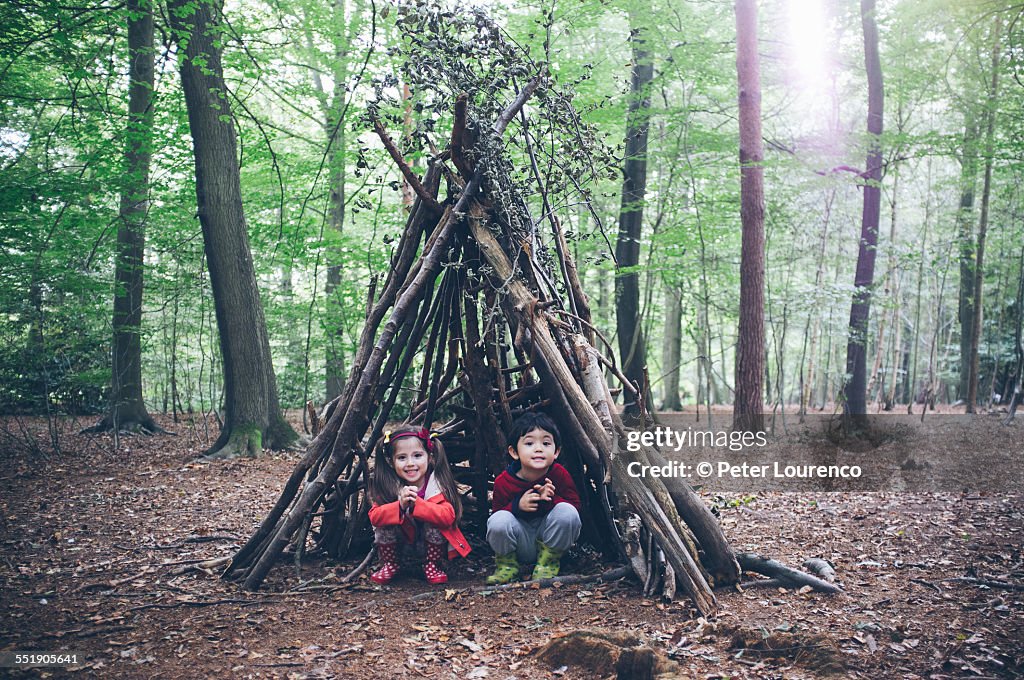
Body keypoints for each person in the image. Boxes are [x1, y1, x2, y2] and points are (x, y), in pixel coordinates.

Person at [486, 412, 581, 584]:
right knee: (498, 519)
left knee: (567, 511)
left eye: (546, 443)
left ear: (556, 451)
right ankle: (507, 566)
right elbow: (497, 518)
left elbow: (574, 510)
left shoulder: (559, 475)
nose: (538, 449)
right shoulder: (504, 481)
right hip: (519, 542)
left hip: (550, 541)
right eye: (529, 443)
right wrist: (517, 506)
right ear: (514, 452)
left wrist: (551, 500)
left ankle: (548, 563)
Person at [367, 426, 470, 584]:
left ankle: (432, 565)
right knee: (385, 520)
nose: (410, 463)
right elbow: (375, 517)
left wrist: (418, 506)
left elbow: (448, 516)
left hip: (430, 547)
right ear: (391, 461)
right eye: (402, 458)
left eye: (417, 455)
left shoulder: (437, 485)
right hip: (402, 546)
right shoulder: (389, 486)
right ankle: (390, 564)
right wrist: (399, 507)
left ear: (429, 457)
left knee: (434, 519)